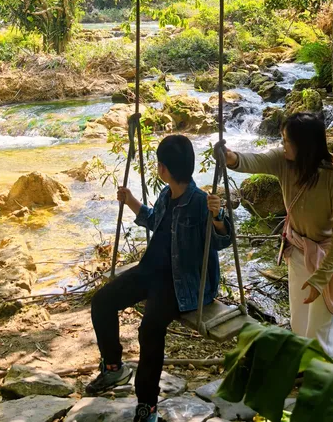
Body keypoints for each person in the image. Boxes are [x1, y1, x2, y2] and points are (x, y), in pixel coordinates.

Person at [88, 134, 232, 422]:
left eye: (158, 164)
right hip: (152, 270)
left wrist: (217, 216)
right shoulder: (168, 195)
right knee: (102, 302)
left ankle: (147, 405)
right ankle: (114, 368)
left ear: (164, 168)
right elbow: (155, 220)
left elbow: (223, 240)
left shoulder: (202, 202)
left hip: (184, 285)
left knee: (150, 329)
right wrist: (131, 202)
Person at [225, 111, 333, 363]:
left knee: (324, 322)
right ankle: (302, 368)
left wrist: (321, 278)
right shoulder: (282, 161)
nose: (282, 145)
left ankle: (324, 377)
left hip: (331, 259)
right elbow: (251, 161)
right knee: (300, 318)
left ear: (304, 145)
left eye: (286, 140)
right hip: (298, 251)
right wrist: (230, 157)